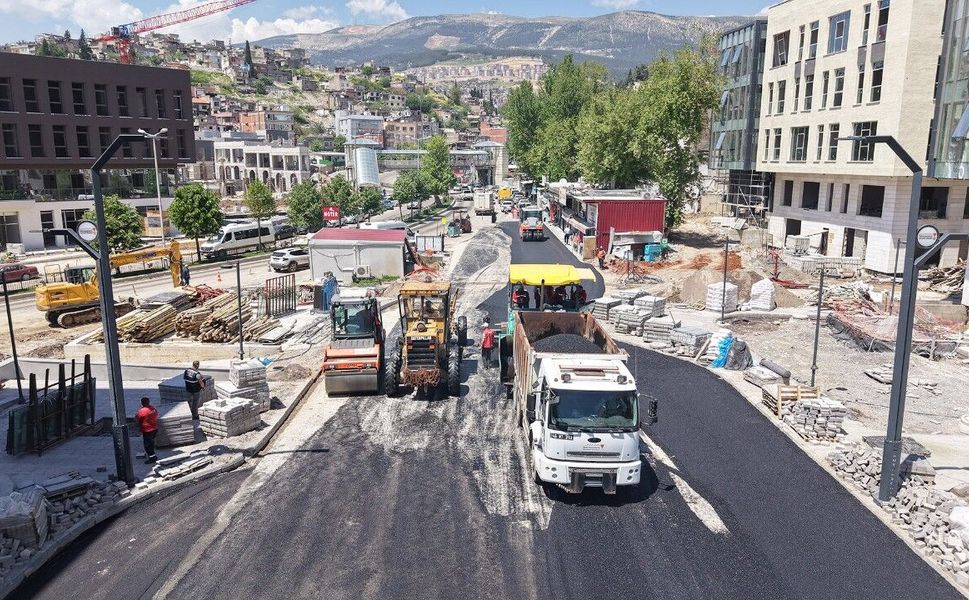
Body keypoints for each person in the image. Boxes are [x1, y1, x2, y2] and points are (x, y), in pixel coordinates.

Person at [135, 397, 158, 464]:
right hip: (154, 429)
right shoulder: (153, 408)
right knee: (151, 443)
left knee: (148, 445)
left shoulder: (141, 411)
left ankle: (152, 458)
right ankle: (153, 456)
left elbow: (136, 418)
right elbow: (156, 415)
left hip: (147, 430)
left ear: (142, 403)